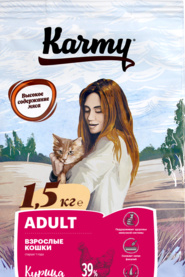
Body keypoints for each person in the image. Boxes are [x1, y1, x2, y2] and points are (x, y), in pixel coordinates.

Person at [50, 79, 139, 215]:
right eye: (87, 110)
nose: (90, 117)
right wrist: (57, 175)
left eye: (98, 111)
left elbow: (82, 180)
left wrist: (59, 176)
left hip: (97, 224)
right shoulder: (112, 142)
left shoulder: (111, 142)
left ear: (114, 111)